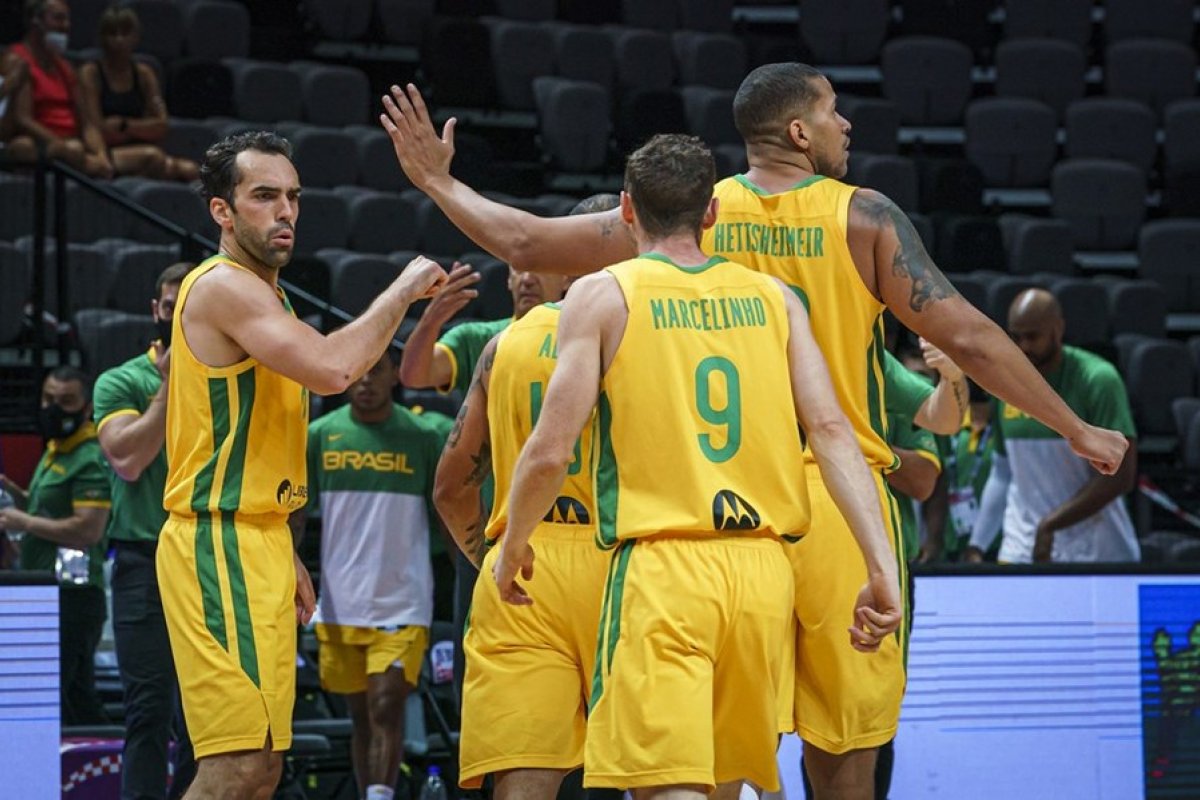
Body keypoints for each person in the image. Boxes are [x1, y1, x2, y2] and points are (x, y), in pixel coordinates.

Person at [379, 70, 1129, 799]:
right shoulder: (863, 216)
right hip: (835, 506)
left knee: (711, 763)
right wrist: (1072, 425)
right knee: (845, 759)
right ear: (799, 130)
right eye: (834, 112)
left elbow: (529, 242)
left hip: (717, 510)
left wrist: (438, 184)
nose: (845, 126)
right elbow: (965, 335)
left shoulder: (698, 212)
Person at [493, 133, 901, 799]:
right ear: (712, 211)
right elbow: (831, 433)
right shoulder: (775, 298)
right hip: (763, 573)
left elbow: (549, 451)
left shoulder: (602, 294)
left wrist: (513, 543)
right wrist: (880, 567)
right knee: (722, 785)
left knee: (665, 785)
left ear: (627, 211)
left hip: (666, 568)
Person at [156, 130, 446, 800]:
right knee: (236, 765)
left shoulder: (269, 298)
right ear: (222, 212)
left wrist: (281, 544)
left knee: (263, 767)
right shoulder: (224, 288)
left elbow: (251, 439)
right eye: (263, 197)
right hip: (217, 541)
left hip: (253, 537)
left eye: (292, 197)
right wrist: (402, 289)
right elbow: (334, 369)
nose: (284, 211)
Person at [431, 246, 603, 797]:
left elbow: (451, 487)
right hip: (630, 557)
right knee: (654, 773)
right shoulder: (647, 335)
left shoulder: (503, 344)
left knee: (525, 773)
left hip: (525, 560)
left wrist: (491, 556)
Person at [289, 348, 447, 800]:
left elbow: (447, 515)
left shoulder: (424, 435)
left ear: (396, 374)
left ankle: (381, 795)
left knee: (387, 705)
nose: (365, 381)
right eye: (358, 371)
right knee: (361, 717)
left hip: (403, 600)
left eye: (376, 371)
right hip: (340, 604)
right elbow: (298, 513)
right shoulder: (320, 435)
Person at [94, 261, 197, 799]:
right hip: (143, 560)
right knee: (149, 708)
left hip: (207, 556)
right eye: (168, 305)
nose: (175, 315)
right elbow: (129, 460)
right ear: (153, 311)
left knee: (204, 715)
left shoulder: (222, 384)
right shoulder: (121, 380)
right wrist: (170, 386)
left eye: (187, 306)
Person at [964, 289, 1139, 564]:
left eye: (1032, 336)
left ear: (1058, 329)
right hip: (1021, 548)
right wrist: (977, 543)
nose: (1023, 347)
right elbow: (1002, 473)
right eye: (1015, 336)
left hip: (1097, 550)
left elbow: (1120, 476)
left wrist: (1052, 524)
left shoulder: (1098, 379)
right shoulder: (1005, 383)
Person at [0, 366, 111, 725]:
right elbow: (54, 507)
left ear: (86, 407)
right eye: (48, 398)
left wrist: (23, 522)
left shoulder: (90, 457)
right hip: (49, 593)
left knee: (63, 697)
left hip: (74, 598)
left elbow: (87, 529)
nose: (53, 408)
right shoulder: (57, 450)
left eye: (66, 401)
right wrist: (19, 496)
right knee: (75, 698)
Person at [78, 6, 199, 182]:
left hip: (140, 146)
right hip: (105, 151)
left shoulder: (144, 74)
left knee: (191, 170)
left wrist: (125, 125)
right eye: (112, 33)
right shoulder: (91, 73)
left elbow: (161, 126)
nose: (119, 40)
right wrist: (141, 129)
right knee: (154, 157)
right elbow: (96, 128)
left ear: (136, 37)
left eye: (125, 33)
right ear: (102, 38)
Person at [2, 0, 113, 177]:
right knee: (25, 147)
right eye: (58, 19)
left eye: (68, 20)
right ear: (35, 21)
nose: (66, 26)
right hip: (43, 142)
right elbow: (22, 119)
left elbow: (87, 124)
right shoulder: (18, 61)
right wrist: (63, 146)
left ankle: (92, 166)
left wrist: (101, 155)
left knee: (149, 158)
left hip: (74, 144)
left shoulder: (66, 68)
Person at [921, 380, 1000, 563]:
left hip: (1001, 545)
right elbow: (936, 482)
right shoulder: (945, 424)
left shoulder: (1004, 424)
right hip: (952, 543)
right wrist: (932, 538)